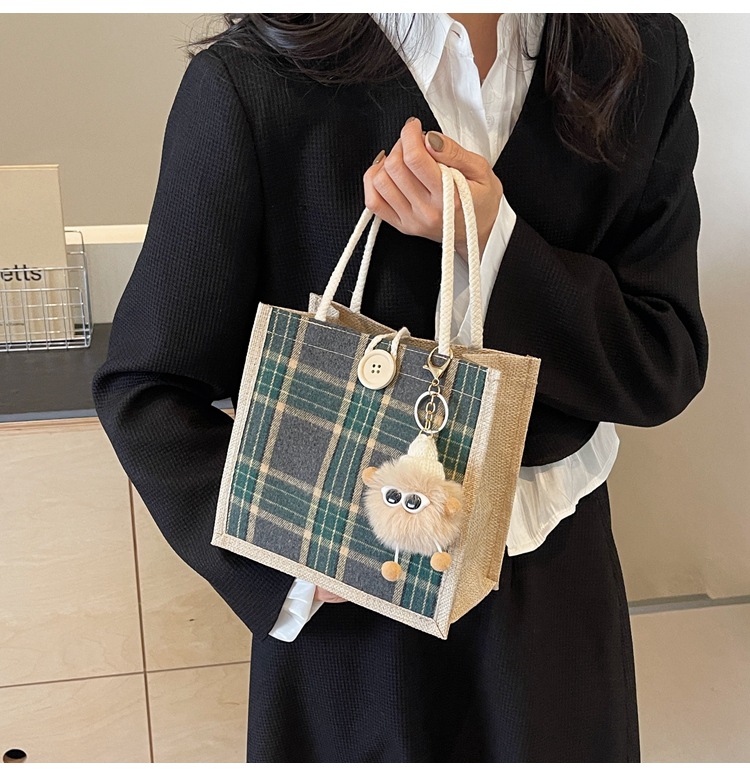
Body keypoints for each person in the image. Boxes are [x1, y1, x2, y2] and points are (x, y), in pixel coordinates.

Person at [92, 13, 708, 762]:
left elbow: (662, 357)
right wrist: (295, 561)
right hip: (351, 618)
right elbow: (148, 385)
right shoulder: (255, 77)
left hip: (558, 590)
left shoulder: (640, 53)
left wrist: (495, 245)